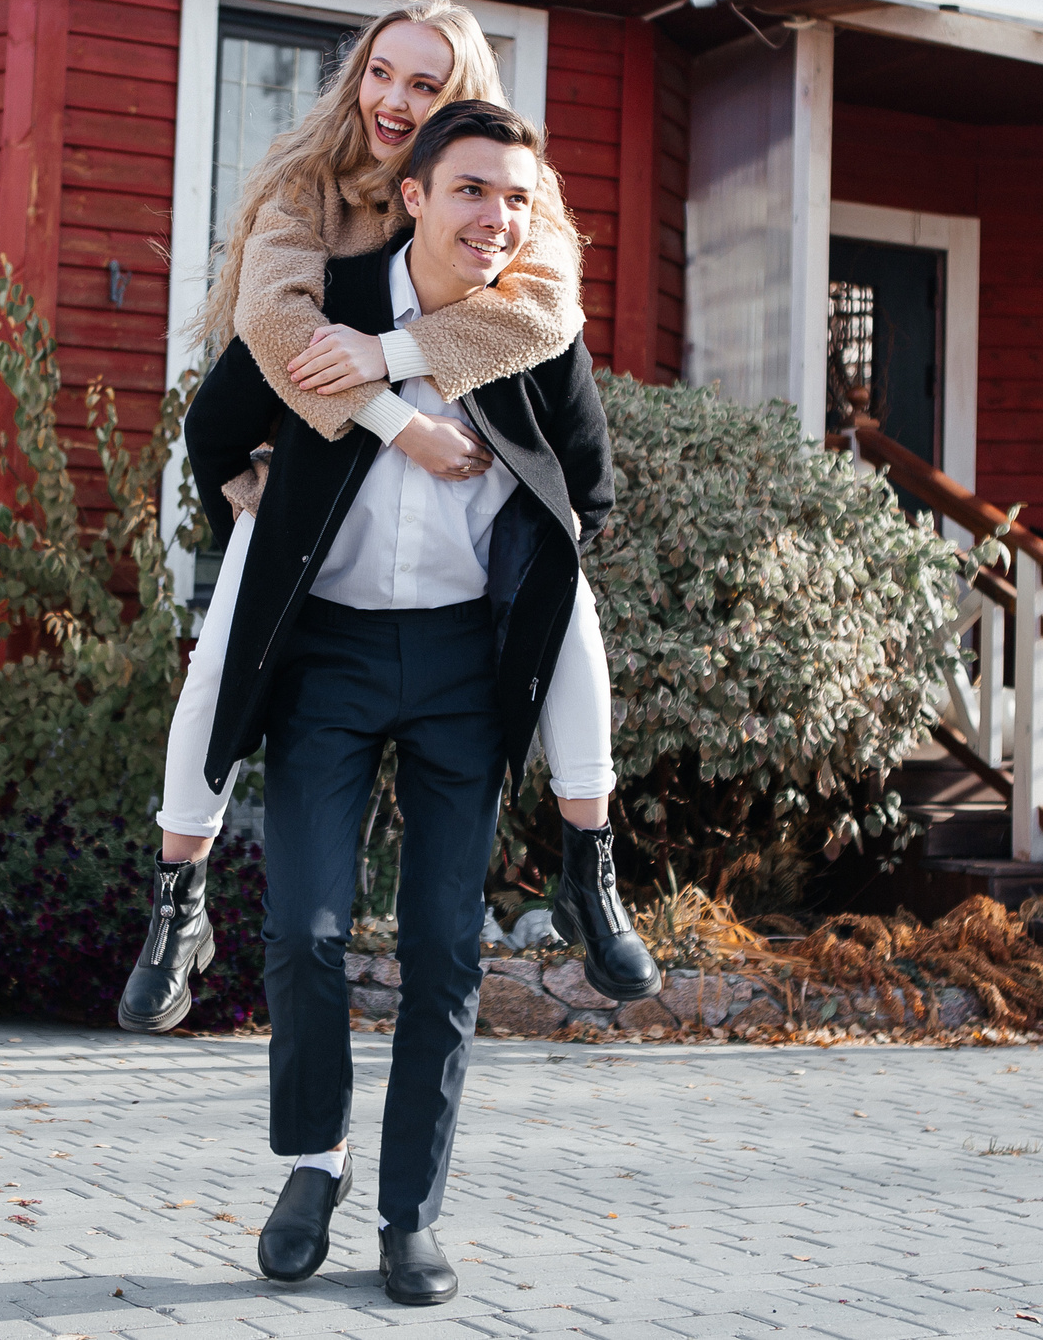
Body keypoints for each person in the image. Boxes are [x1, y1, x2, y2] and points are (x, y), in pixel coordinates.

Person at [169, 100, 635, 1306]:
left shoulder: (529, 334)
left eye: (517, 199)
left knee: (440, 951)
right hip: (322, 661)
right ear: (415, 195)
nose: (497, 217)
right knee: (304, 929)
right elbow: (212, 426)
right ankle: (309, 1165)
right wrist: (258, 511)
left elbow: (589, 487)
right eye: (473, 190)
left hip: (457, 677)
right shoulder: (323, 307)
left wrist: (530, 565)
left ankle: (410, 1218)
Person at [118, 0, 655, 1041]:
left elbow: (544, 315)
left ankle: (591, 865)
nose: (396, 98)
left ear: (462, 105)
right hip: (313, 464)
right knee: (221, 663)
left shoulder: (503, 192)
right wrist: (391, 421)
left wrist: (400, 354)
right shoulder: (308, 189)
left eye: (425, 82)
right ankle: (177, 902)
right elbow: (274, 327)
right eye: (381, 73)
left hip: (463, 503)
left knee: (565, 604)